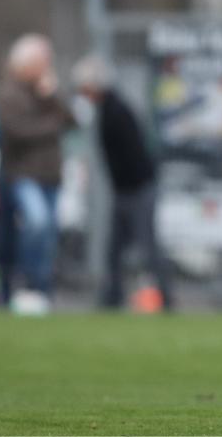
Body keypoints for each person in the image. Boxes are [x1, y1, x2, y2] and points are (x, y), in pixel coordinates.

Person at [73, 56, 174, 310]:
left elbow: (133, 156)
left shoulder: (116, 111)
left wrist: (131, 188)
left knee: (147, 248)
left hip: (136, 190)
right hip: (126, 190)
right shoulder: (109, 109)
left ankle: (165, 298)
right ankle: (112, 297)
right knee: (114, 250)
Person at [0, 34, 75, 299]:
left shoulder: (47, 93)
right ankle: (26, 281)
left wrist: (52, 97)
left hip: (51, 175)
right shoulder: (9, 94)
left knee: (49, 236)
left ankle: (42, 289)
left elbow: (72, 121)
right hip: (22, 174)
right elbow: (17, 132)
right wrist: (52, 126)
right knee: (36, 222)